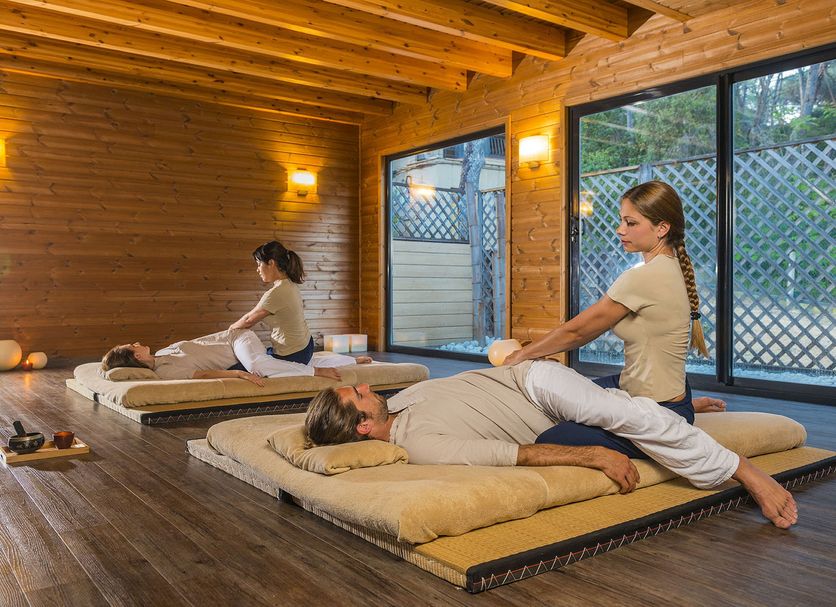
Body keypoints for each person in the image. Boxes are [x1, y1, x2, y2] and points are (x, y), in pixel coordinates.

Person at [304, 361, 798, 529]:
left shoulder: (401, 400)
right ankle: (683, 411)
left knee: (619, 412)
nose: (366, 387)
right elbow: (514, 455)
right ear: (362, 428)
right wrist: (594, 455)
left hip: (536, 382)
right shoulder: (421, 443)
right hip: (551, 419)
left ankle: (737, 467)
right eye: (358, 396)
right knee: (621, 409)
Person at [503, 181, 724, 459]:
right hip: (661, 391)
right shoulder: (672, 266)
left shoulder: (643, 277)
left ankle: (677, 418)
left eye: (631, 223)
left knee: (550, 438)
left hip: (656, 409)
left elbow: (578, 332)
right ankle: (687, 407)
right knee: (562, 396)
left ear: (662, 228)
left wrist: (523, 354)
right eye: (622, 221)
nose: (620, 230)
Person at [101, 328, 370, 384]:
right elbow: (204, 374)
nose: (138, 342)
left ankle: (316, 372)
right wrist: (239, 374)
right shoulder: (165, 371)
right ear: (136, 357)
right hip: (237, 356)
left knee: (259, 364)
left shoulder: (163, 353)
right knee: (278, 364)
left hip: (237, 339)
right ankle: (350, 361)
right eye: (133, 345)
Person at [229, 241, 315, 365]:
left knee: (236, 368)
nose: (257, 270)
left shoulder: (277, 292)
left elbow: (248, 320)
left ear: (271, 263)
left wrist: (230, 331)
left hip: (294, 355)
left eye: (259, 264)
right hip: (306, 346)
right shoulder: (290, 284)